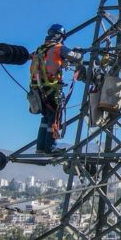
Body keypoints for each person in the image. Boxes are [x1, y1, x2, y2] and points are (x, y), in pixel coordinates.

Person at [29, 24, 83, 154]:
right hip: (51, 89)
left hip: (37, 91)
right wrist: (79, 53)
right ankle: (50, 148)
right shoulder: (58, 48)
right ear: (59, 36)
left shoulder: (39, 50)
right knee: (54, 117)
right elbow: (76, 57)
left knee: (46, 118)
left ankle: (40, 148)